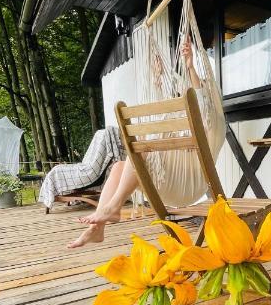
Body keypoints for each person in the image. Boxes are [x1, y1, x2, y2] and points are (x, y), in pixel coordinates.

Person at [67, 38, 200, 249]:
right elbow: (160, 93)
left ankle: (112, 207)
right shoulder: (168, 117)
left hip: (187, 177)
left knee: (142, 148)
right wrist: (158, 75)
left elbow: (201, 95)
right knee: (120, 165)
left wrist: (190, 66)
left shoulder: (197, 115)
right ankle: (98, 228)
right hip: (164, 175)